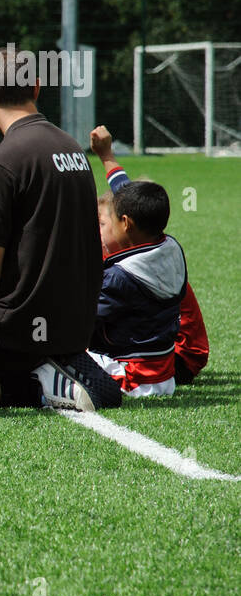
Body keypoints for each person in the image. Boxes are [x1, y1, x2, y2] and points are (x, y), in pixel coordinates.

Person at [0, 46, 121, 411]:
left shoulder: (2, 161)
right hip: (73, 325)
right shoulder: (73, 149)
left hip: (17, 329)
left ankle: (35, 382)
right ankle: (48, 365)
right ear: (35, 87)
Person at [88, 126, 190, 397]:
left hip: (130, 379)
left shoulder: (121, 277)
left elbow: (79, 321)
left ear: (125, 222)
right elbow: (129, 197)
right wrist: (107, 156)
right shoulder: (169, 247)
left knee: (50, 353)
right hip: (165, 375)